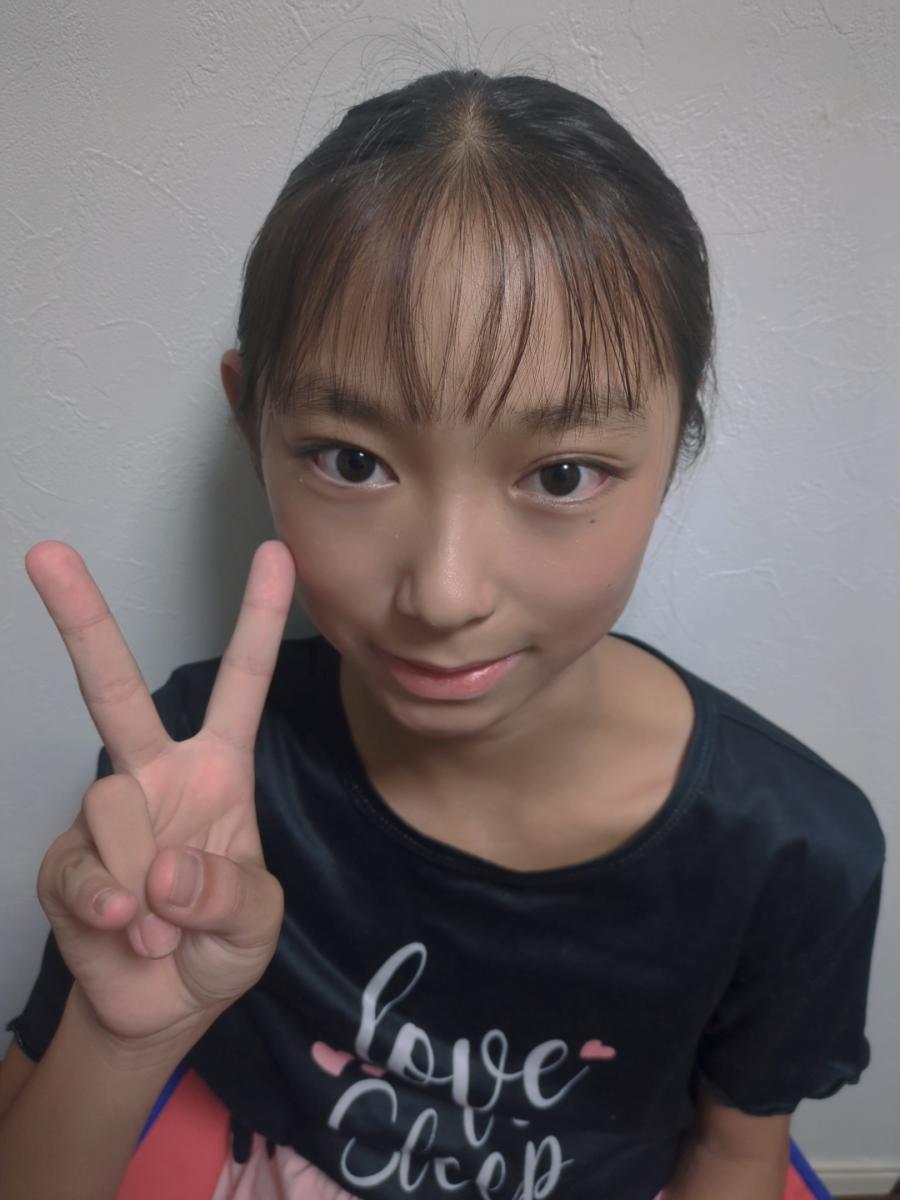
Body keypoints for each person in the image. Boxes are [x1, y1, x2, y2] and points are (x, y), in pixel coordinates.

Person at [0, 68, 885, 1200]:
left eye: (562, 474)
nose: (446, 593)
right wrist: (123, 1038)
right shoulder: (193, 773)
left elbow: (735, 1153)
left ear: (678, 451)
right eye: (352, 461)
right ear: (250, 421)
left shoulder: (794, 854)